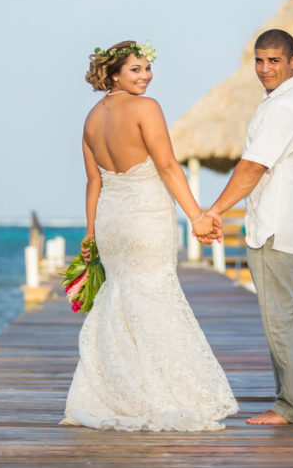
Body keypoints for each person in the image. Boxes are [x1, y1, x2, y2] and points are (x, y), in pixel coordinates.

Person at [61, 40, 238, 431]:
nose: (146, 76)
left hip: (111, 221)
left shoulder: (91, 118)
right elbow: (168, 165)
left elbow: (94, 182)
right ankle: (160, 394)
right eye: (136, 70)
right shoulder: (147, 108)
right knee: (155, 295)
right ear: (114, 74)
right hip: (146, 217)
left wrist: (89, 233)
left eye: (147, 68)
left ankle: (117, 389)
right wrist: (197, 216)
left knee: (121, 299)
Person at [201, 28, 293, 425]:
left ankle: (291, 408)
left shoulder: (285, 109)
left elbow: (253, 167)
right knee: (291, 320)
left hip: (279, 230)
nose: (265, 68)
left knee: (280, 322)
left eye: (274, 60)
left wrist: (215, 210)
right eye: (259, 60)